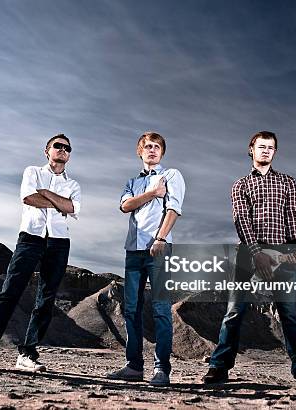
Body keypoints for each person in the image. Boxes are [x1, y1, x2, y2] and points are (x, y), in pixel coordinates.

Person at [202, 131, 296, 388]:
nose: (266, 151)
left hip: (283, 255)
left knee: (289, 313)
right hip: (247, 255)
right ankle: (219, 367)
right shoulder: (240, 185)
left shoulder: (289, 182)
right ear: (251, 150)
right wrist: (257, 253)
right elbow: (241, 220)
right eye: (261, 146)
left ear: (275, 152)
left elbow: (294, 216)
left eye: (271, 148)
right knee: (234, 311)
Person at [0, 134, 81, 371]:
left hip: (59, 242)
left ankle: (27, 354)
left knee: (47, 298)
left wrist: (47, 194)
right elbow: (29, 197)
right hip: (31, 237)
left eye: (66, 148)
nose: (62, 150)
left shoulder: (74, 185)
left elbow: (71, 207)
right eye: (57, 146)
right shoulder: (32, 172)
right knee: (10, 292)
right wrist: (59, 202)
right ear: (46, 151)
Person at [106, 132, 185, 387]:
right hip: (133, 251)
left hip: (159, 248)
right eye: (147, 147)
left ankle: (162, 368)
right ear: (140, 152)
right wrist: (152, 193)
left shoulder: (171, 175)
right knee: (131, 309)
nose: (152, 150)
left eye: (157, 147)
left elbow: (173, 209)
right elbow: (125, 206)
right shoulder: (131, 182)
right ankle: (134, 366)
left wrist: (160, 239)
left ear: (162, 152)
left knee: (161, 309)